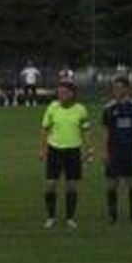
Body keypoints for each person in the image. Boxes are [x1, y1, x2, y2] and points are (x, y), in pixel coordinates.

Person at [40, 81, 90, 229]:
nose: (61, 95)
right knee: (50, 185)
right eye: (59, 92)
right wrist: (42, 150)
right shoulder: (52, 107)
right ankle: (50, 217)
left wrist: (89, 148)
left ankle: (70, 218)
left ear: (72, 94)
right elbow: (44, 129)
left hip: (73, 151)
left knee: (72, 186)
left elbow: (86, 130)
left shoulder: (81, 110)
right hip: (54, 149)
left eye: (64, 92)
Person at [102, 76, 132, 224]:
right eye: (115, 88)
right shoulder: (108, 109)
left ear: (127, 89)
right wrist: (105, 151)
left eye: (120, 88)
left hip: (131, 150)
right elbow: (106, 132)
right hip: (114, 150)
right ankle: (112, 215)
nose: (117, 91)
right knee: (112, 183)